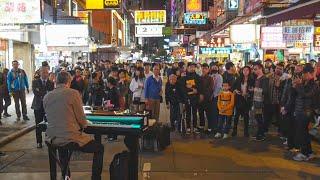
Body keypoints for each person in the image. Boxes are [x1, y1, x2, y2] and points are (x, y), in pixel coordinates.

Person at [44, 71, 104, 180]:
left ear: (56, 81)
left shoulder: (47, 96)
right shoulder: (73, 93)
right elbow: (82, 120)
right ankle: (96, 178)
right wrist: (83, 124)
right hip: (70, 137)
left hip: (52, 138)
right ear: (69, 81)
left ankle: (66, 176)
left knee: (62, 148)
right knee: (99, 148)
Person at [290, 64, 319, 161]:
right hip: (300, 111)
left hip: (306, 113)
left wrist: (298, 85)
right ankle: (309, 153)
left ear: (309, 73)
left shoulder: (314, 85)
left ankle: (304, 153)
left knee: (303, 133)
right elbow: (298, 95)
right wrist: (295, 86)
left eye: (304, 74)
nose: (303, 76)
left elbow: (306, 95)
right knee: (304, 133)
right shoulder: (305, 83)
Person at [31, 66, 54, 148]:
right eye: (43, 72)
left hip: (48, 106)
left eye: (46, 72)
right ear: (40, 73)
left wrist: (41, 92)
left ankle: (48, 139)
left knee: (49, 123)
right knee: (38, 124)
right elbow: (36, 93)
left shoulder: (51, 83)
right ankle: (39, 142)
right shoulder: (35, 82)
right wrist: (46, 93)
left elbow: (51, 94)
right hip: (38, 106)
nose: (45, 74)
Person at [232, 66, 254, 137]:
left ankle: (246, 131)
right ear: (242, 71)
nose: (245, 71)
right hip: (239, 99)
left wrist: (250, 92)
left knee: (246, 117)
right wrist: (235, 91)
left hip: (246, 101)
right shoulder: (238, 79)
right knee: (236, 116)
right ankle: (234, 130)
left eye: (247, 70)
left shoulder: (252, 80)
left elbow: (253, 90)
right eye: (244, 70)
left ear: (249, 71)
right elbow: (233, 87)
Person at [181, 62, 201, 134]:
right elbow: (182, 88)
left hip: (195, 98)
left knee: (195, 113)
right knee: (188, 113)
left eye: (193, 67)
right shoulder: (184, 77)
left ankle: (195, 127)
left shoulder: (197, 77)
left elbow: (199, 87)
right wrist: (185, 98)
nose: (192, 68)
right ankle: (188, 127)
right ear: (187, 68)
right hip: (187, 98)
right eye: (190, 67)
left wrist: (195, 90)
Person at [252, 63, 270, 141]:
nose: (254, 71)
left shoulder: (264, 78)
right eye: (254, 69)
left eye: (255, 69)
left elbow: (265, 91)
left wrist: (254, 90)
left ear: (260, 69)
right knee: (257, 117)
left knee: (260, 118)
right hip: (256, 101)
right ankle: (259, 133)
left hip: (262, 102)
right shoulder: (257, 78)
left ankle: (261, 134)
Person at [198, 63, 214, 133]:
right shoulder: (199, 77)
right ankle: (202, 126)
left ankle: (210, 128)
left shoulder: (210, 78)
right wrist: (200, 94)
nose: (204, 70)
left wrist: (202, 94)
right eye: (203, 68)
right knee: (201, 113)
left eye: (206, 69)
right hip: (200, 99)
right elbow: (198, 88)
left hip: (207, 99)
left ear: (208, 70)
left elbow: (210, 89)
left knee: (208, 114)